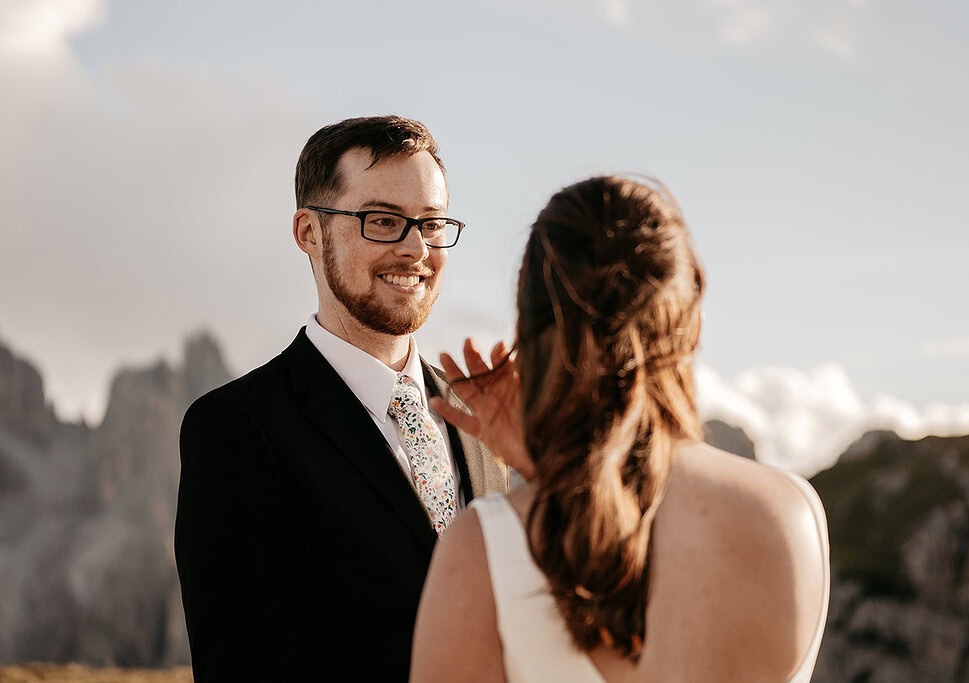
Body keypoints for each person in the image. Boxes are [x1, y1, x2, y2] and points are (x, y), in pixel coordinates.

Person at [411, 176, 830, 682]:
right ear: (691, 319)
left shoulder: (487, 548)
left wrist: (544, 472)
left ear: (527, 330)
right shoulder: (793, 512)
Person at [174, 115, 508, 682]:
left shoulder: (483, 419)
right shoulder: (238, 428)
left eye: (431, 224)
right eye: (382, 221)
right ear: (308, 231)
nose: (415, 249)